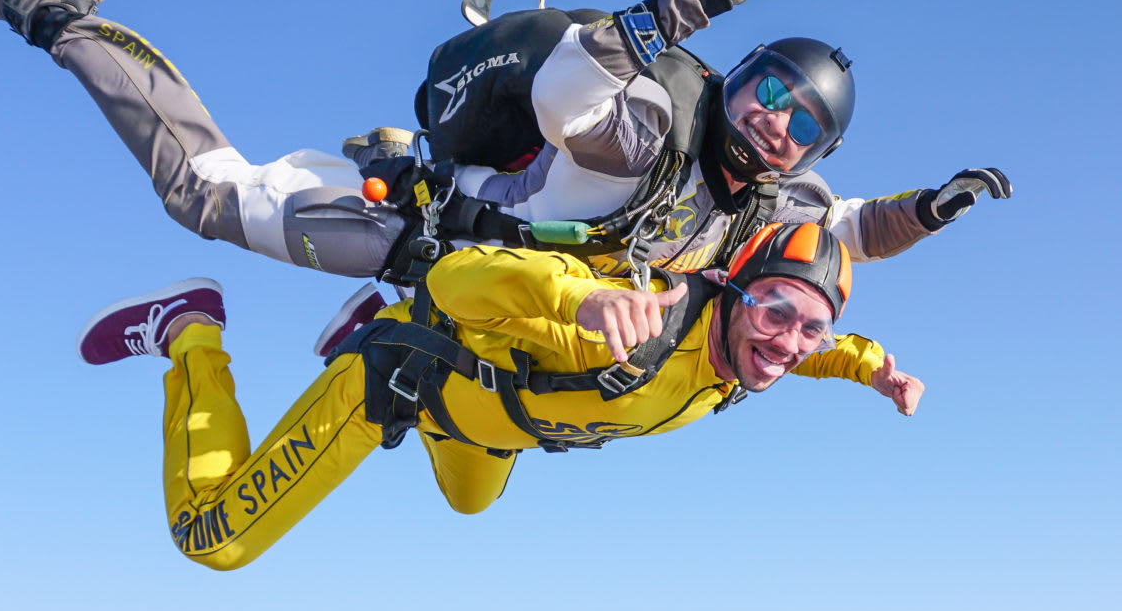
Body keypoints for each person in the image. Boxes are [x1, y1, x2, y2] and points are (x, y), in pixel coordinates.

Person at [0, 0, 1011, 295]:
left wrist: (939, 204)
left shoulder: (774, 203)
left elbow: (854, 228)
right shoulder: (652, 134)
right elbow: (566, 91)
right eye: (769, 87)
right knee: (206, 196)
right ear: (735, 78)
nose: (777, 120)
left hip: (542, 304)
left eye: (804, 122)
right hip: (423, 236)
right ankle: (56, 16)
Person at [74, 222, 924, 570]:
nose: (787, 342)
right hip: (400, 387)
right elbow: (461, 274)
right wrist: (578, 298)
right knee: (212, 538)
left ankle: (378, 321)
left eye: (806, 328)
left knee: (470, 506)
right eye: (777, 311)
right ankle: (192, 331)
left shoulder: (758, 353)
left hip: (493, 429)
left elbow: (824, 350)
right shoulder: (633, 318)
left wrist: (875, 368)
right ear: (733, 291)